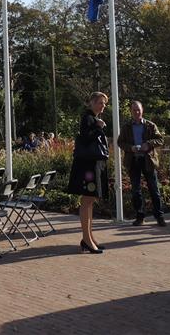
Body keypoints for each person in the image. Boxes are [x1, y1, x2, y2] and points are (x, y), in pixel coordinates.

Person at [67, 92, 110, 254]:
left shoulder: (92, 118)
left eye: (104, 103)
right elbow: (85, 138)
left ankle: (90, 237)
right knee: (87, 200)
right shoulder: (88, 118)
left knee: (90, 200)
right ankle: (86, 239)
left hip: (91, 165)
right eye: (99, 102)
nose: (102, 106)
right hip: (87, 167)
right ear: (91, 102)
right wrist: (98, 127)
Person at [118, 101, 166, 227]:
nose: (137, 112)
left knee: (154, 189)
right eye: (134, 110)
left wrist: (148, 144)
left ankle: (159, 216)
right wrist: (131, 148)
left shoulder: (150, 125)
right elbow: (120, 142)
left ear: (142, 110)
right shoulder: (126, 127)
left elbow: (160, 139)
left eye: (138, 110)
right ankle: (140, 216)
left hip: (148, 160)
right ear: (131, 111)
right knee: (136, 190)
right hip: (133, 161)